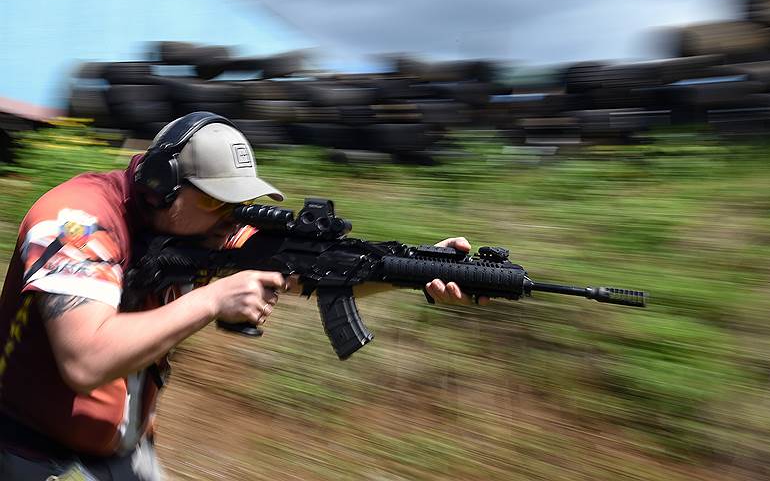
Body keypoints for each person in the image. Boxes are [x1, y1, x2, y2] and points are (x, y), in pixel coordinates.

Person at [0, 112, 482, 480]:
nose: (232, 216)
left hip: (120, 444)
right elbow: (85, 362)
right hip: (22, 443)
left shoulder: (205, 229)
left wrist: (416, 270)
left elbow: (314, 272)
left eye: (239, 201)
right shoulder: (75, 221)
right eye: (215, 199)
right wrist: (212, 301)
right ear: (161, 185)